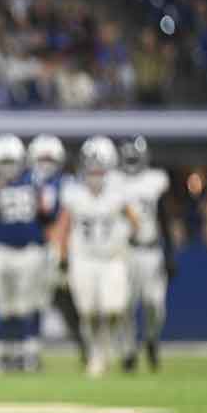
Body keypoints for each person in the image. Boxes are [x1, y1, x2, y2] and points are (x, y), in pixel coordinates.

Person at [52, 136, 139, 378]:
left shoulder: (118, 192)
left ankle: (104, 349)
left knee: (114, 308)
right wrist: (61, 257)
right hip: (84, 257)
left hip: (112, 257)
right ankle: (94, 352)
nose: (95, 172)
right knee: (88, 311)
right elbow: (63, 226)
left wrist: (127, 239)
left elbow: (135, 222)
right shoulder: (73, 193)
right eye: (92, 166)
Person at [0, 134, 52, 372]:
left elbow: (46, 213)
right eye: (3, 163)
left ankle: (30, 353)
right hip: (1, 250)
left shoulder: (34, 180)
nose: (7, 169)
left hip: (30, 250)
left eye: (11, 162)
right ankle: (5, 354)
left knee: (29, 304)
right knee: (6, 306)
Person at [28, 134, 86, 367]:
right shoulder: (25, 182)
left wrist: (61, 245)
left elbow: (72, 217)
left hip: (61, 250)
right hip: (33, 249)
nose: (45, 163)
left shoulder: (68, 184)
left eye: (49, 158)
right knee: (31, 303)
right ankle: (31, 350)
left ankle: (85, 346)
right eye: (41, 158)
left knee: (69, 301)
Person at [117, 136, 174, 372]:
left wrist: (170, 252)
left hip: (151, 250)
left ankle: (151, 339)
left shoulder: (155, 181)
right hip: (125, 251)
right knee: (125, 305)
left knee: (154, 303)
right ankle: (129, 351)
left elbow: (164, 217)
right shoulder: (115, 182)